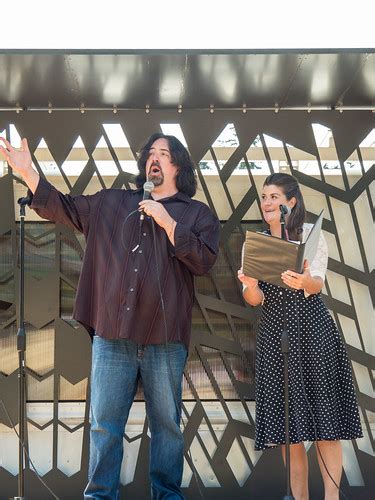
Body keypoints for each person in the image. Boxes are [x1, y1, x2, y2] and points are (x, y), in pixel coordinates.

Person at [0, 133, 220, 499]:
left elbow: (204, 261)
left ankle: (167, 495)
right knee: (104, 425)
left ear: (178, 165)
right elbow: (65, 207)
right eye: (150, 153)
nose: (154, 158)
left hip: (165, 340)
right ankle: (100, 495)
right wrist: (28, 174)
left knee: (167, 427)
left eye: (163, 154)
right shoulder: (115, 202)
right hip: (113, 335)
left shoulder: (196, 214)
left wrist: (167, 222)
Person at [237, 173, 362, 500]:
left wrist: (303, 279)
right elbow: (255, 299)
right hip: (275, 336)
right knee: (289, 430)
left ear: (291, 202)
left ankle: (332, 498)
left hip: (313, 333)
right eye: (264, 196)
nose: (267, 202)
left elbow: (316, 284)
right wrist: (250, 286)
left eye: (274, 196)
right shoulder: (256, 242)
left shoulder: (310, 236)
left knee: (325, 425)